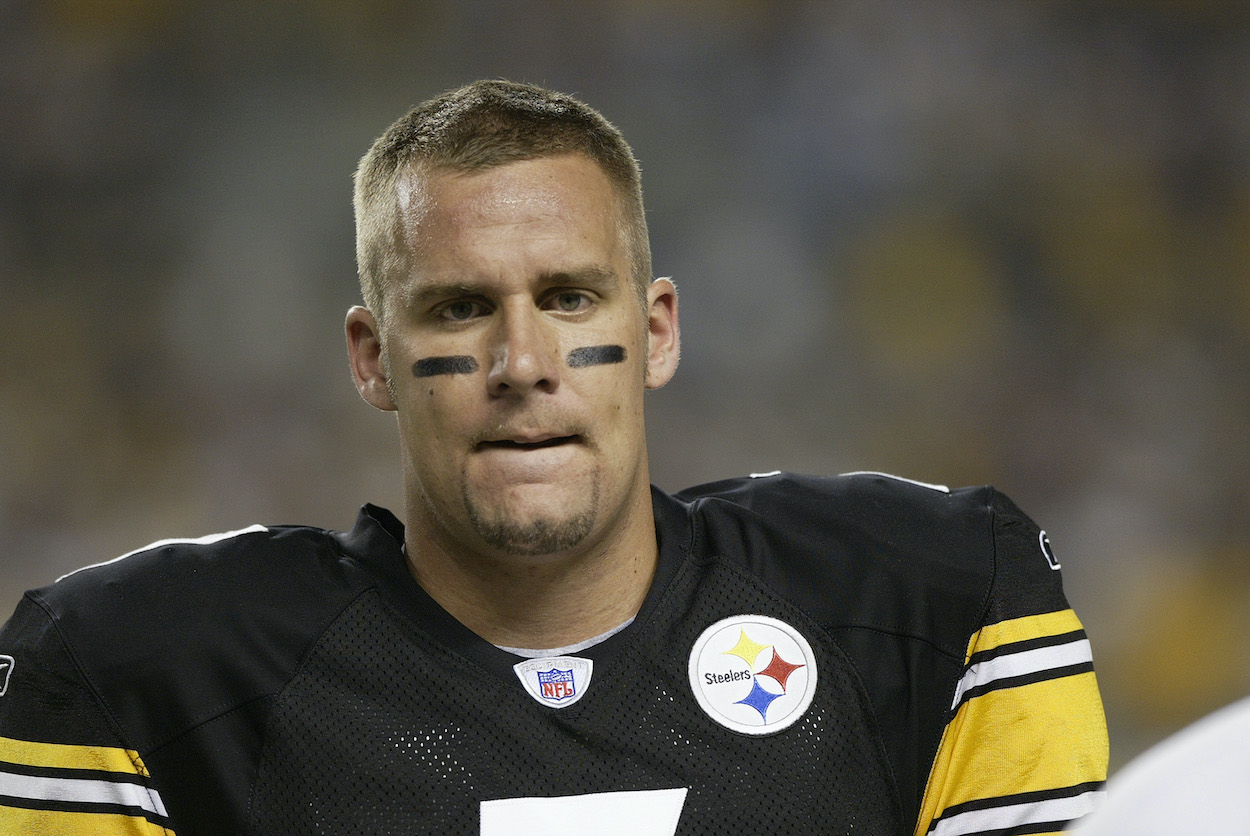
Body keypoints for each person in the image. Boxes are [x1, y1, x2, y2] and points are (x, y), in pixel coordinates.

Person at [0, 80, 1108, 835]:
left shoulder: (925, 606)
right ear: (371, 357)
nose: (521, 359)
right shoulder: (139, 672)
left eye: (568, 296)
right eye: (457, 308)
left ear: (658, 329)